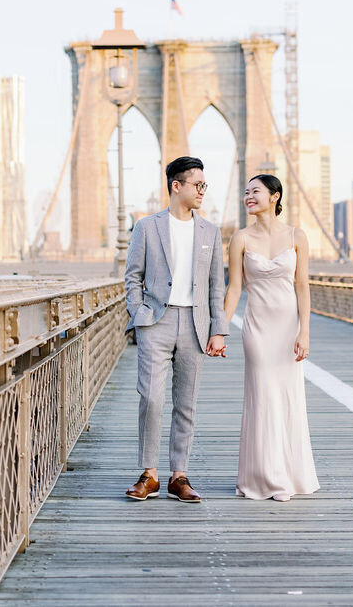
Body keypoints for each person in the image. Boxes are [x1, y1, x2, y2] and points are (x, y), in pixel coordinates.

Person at [123, 156, 229, 503]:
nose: (202, 191)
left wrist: (219, 329)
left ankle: (178, 475)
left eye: (204, 185)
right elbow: (132, 276)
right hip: (156, 321)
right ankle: (148, 474)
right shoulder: (147, 227)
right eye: (197, 185)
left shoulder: (211, 232)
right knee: (150, 397)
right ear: (176, 186)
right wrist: (138, 312)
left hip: (196, 325)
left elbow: (216, 286)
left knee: (187, 402)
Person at [223, 173, 320, 501]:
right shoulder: (240, 239)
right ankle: (265, 478)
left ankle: (288, 475)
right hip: (258, 328)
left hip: (288, 327)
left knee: (287, 397)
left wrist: (304, 331)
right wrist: (220, 329)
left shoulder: (297, 236)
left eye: (255, 192)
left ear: (275, 197)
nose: (248, 196)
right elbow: (234, 287)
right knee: (263, 397)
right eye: (246, 192)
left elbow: (302, 285)